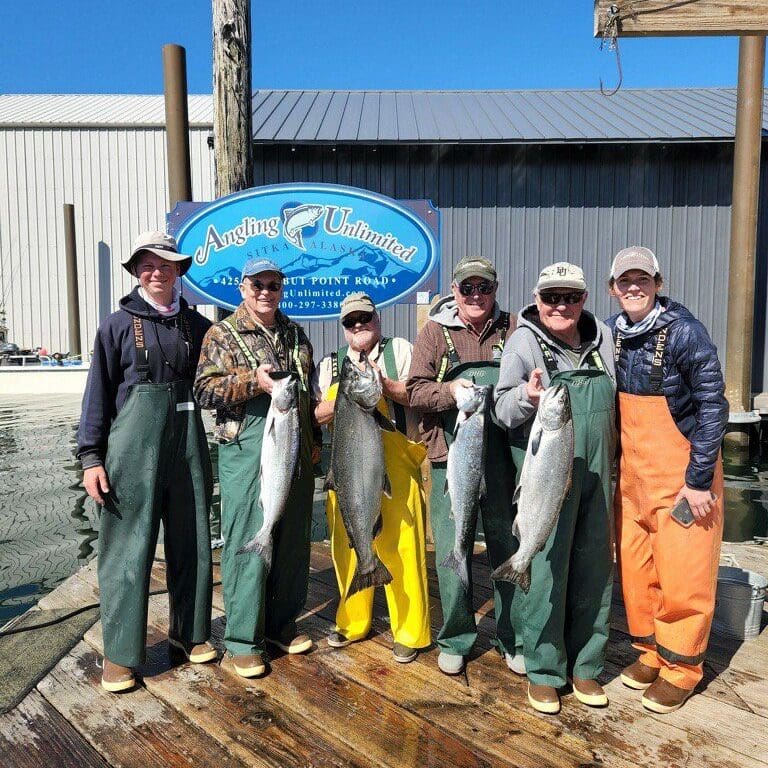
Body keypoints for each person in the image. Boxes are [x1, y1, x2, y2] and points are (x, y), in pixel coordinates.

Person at [77, 230, 216, 693]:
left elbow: (217, 384)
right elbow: (97, 396)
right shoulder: (116, 326)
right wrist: (91, 458)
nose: (157, 273)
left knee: (193, 539)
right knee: (126, 550)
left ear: (180, 271)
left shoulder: (198, 328)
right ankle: (119, 655)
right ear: (138, 272)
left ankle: (189, 634)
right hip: (131, 454)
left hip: (189, 448)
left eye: (166, 265)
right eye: (147, 266)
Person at [608, 246, 728, 714]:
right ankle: (651, 652)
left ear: (658, 282)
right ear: (613, 288)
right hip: (634, 479)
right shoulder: (612, 335)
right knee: (638, 570)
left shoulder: (686, 333)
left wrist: (699, 480)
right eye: (624, 281)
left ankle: (682, 669)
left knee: (684, 575)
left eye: (643, 279)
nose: (633, 287)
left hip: (682, 478)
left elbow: (713, 407)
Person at [494, 262, 616, 715]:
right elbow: (502, 412)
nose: (560, 306)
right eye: (551, 298)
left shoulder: (604, 338)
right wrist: (527, 397)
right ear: (537, 299)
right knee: (543, 567)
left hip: (599, 475)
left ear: (584, 299)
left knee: (594, 568)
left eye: (570, 297)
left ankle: (587, 665)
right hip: (546, 477)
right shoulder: (523, 342)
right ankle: (544, 670)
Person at [194, 258, 318, 678]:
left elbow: (309, 393)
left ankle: (281, 626)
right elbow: (205, 390)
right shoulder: (222, 334)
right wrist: (255, 383)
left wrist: (315, 449)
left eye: (274, 284)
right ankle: (244, 639)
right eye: (258, 285)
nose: (266, 292)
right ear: (242, 288)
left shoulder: (296, 335)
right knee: (249, 535)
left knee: (292, 541)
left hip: (295, 447)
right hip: (246, 449)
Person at [406, 256, 517, 676]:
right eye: (467, 288)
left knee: (509, 546)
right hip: (450, 457)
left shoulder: (514, 328)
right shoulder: (435, 332)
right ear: (454, 291)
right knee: (455, 546)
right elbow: (415, 391)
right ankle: (455, 636)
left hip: (503, 457)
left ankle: (513, 636)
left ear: (495, 290)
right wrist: (450, 390)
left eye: (484, 288)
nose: (476, 296)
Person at [314, 293, 431, 664]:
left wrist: (388, 388)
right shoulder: (330, 364)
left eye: (365, 318)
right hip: (347, 467)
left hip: (397, 463)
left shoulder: (401, 350)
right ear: (344, 329)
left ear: (377, 319)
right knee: (348, 547)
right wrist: (348, 399)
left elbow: (420, 394)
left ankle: (410, 632)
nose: (358, 325)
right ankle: (352, 622)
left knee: (404, 549)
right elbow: (315, 414)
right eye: (350, 322)